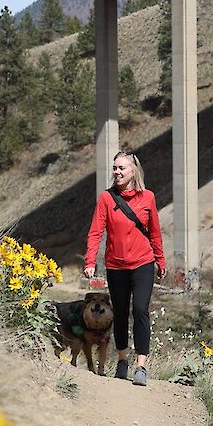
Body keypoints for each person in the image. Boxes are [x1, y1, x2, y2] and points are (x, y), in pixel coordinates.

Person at [83, 150, 166, 385]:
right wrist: (90, 261)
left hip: (142, 263)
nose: (117, 172)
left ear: (133, 171)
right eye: (115, 168)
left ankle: (141, 366)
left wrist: (160, 260)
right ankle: (122, 360)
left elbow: (155, 232)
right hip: (116, 265)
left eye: (122, 168)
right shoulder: (106, 199)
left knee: (140, 309)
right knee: (119, 313)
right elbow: (96, 232)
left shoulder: (148, 197)